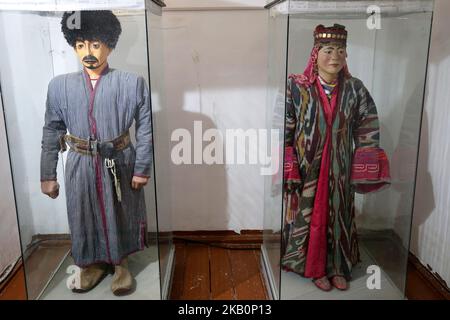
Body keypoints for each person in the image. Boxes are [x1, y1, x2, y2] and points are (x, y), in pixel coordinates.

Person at [40, 10, 153, 295]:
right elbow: (52, 130)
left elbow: (146, 129)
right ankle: (92, 264)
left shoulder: (131, 83)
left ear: (110, 44)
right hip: (79, 163)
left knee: (121, 212)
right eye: (80, 45)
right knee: (82, 213)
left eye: (94, 44)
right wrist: (47, 174)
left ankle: (121, 265)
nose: (87, 52)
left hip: (119, 161)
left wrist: (142, 169)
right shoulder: (59, 87)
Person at [282, 24, 390, 291]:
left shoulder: (355, 89)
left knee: (339, 214)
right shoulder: (297, 86)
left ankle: (338, 266)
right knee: (308, 215)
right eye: (328, 50)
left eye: (341, 51)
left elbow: (368, 126)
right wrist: (290, 167)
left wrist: (361, 166)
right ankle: (313, 266)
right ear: (315, 53)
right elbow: (285, 129)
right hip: (309, 168)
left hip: (340, 166)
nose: (335, 57)